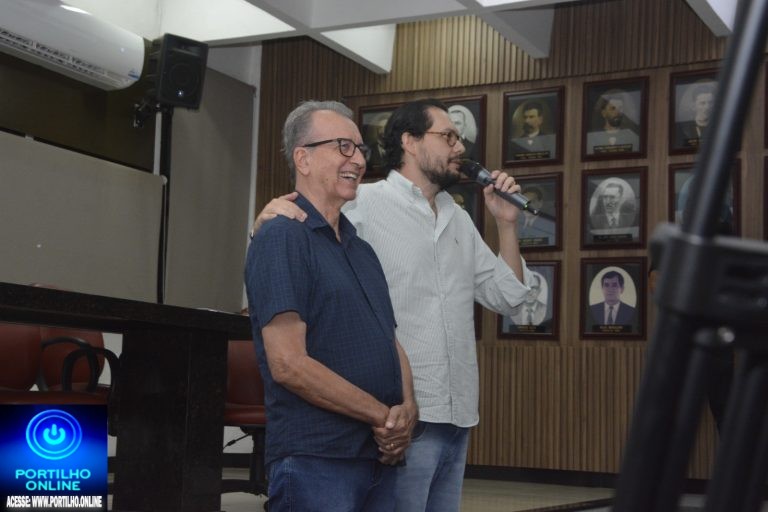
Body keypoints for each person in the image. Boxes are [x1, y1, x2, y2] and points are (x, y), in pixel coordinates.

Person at [252, 98, 533, 512]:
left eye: (357, 149)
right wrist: (266, 220)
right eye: (448, 136)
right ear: (410, 142)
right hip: (385, 420)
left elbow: (509, 298)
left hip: (449, 412)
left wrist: (506, 225)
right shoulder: (362, 202)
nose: (460, 147)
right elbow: (299, 231)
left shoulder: (455, 219)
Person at [244, 100, 417, 512]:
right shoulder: (282, 236)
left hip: (379, 456)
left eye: (360, 149)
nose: (358, 159)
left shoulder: (362, 250)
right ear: (302, 158)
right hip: (318, 459)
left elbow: (389, 340)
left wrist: (407, 412)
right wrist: (382, 416)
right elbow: (288, 364)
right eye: (343, 146)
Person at [675, 82, 715, 149]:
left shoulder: (719, 127)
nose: (707, 107)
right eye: (702, 103)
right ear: (694, 106)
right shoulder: (686, 128)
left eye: (710, 103)